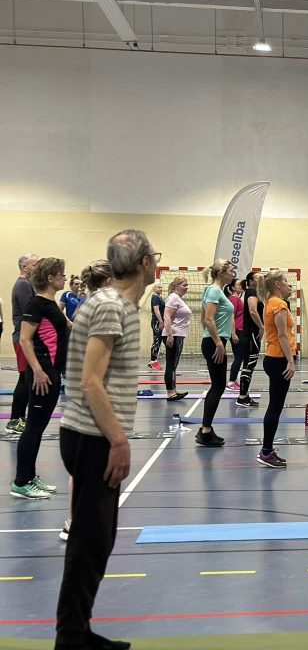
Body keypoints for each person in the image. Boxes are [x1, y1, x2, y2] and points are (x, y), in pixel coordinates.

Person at [55, 229, 157, 650]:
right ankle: (70, 639)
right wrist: (119, 441)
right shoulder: (112, 306)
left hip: (93, 435)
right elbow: (90, 382)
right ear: (145, 263)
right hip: (92, 437)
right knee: (89, 543)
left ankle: (78, 632)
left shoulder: (119, 306)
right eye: (154, 257)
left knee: (97, 540)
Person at [58, 260, 114, 543]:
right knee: (85, 463)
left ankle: (80, 519)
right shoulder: (98, 309)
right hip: (90, 395)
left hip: (88, 391)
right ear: (108, 282)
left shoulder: (88, 306)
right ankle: (74, 521)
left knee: (91, 464)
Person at [10, 258, 71, 500]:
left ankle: (30, 476)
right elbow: (25, 339)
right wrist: (37, 370)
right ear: (50, 278)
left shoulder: (50, 303)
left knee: (39, 427)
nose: (65, 277)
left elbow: (69, 326)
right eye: (61, 274)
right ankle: (20, 482)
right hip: (42, 373)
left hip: (52, 371)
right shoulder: (35, 304)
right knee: (33, 428)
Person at [196, 259, 237, 447]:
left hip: (214, 341)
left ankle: (206, 429)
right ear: (222, 273)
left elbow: (206, 319)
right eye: (231, 271)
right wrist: (218, 343)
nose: (233, 274)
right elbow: (208, 319)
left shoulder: (215, 290)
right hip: (214, 343)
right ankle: (205, 431)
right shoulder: (213, 291)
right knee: (218, 386)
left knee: (218, 386)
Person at [257, 270, 295, 468]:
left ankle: (267, 450)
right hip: (279, 359)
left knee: (275, 406)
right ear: (277, 285)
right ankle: (266, 451)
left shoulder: (270, 302)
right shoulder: (279, 304)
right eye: (286, 282)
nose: (290, 285)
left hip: (273, 358)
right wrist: (290, 361)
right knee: (275, 407)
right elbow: (282, 335)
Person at [7, 253, 39, 434]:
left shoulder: (28, 284)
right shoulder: (23, 285)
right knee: (25, 378)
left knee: (27, 378)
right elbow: (32, 310)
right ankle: (14, 419)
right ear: (25, 267)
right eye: (35, 264)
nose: (38, 267)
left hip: (26, 337)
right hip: (22, 337)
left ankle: (20, 417)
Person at [235, 271, 263, 409]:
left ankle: (244, 395)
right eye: (258, 277)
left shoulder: (254, 292)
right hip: (251, 333)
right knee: (249, 364)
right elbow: (253, 311)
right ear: (251, 281)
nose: (261, 278)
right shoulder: (252, 292)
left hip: (252, 333)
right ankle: (242, 397)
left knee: (249, 363)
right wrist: (261, 326)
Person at [162, 276, 192, 402]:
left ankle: (173, 391)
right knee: (171, 365)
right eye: (184, 285)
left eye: (187, 285)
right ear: (176, 286)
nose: (187, 287)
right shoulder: (173, 298)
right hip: (174, 335)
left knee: (172, 364)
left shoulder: (177, 298)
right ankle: (171, 393)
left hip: (177, 334)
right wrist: (170, 335)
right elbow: (167, 316)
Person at [226, 278, 245, 391]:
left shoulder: (238, 299)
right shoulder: (234, 299)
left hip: (239, 330)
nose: (241, 286)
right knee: (238, 357)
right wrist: (233, 334)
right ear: (233, 287)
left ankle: (233, 381)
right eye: (238, 285)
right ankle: (231, 382)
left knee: (240, 356)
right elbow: (231, 316)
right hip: (237, 330)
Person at [147, 284, 165, 371]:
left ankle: (154, 361)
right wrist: (161, 321)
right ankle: (152, 361)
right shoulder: (155, 297)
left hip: (160, 321)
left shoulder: (159, 297)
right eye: (159, 287)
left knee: (158, 341)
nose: (161, 289)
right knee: (157, 341)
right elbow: (156, 310)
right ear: (154, 289)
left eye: (161, 287)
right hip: (157, 322)